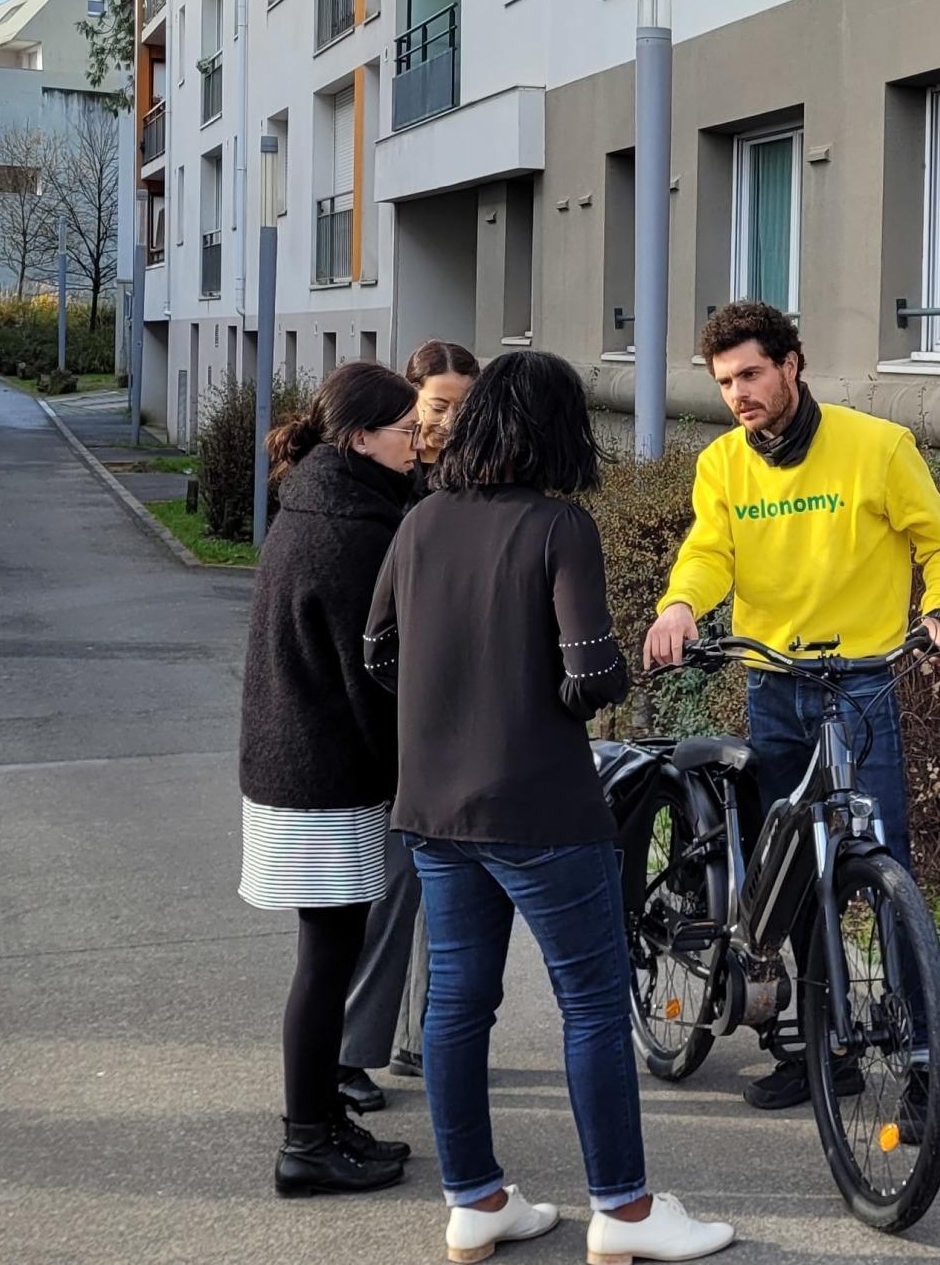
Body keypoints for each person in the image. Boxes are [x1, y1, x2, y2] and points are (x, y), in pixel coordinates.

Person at [366, 351, 734, 1265]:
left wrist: (445, 696)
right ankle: (625, 1211)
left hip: (434, 807)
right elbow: (590, 676)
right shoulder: (558, 525)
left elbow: (377, 652)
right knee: (594, 1005)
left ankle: (476, 1200)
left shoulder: (419, 523)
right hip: (539, 803)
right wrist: (565, 687)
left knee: (457, 1003)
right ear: (557, 429)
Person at [641, 300, 940, 1111]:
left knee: (880, 861)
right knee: (788, 861)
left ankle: (924, 1058)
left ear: (792, 363)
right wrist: (681, 604)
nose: (739, 394)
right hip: (772, 681)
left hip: (858, 680)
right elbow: (708, 551)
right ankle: (818, 1042)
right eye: (724, 382)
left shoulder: (876, 446)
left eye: (751, 373)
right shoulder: (722, 462)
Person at [236, 360, 423, 1199]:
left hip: (298, 767)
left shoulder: (317, 501)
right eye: (405, 430)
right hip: (323, 776)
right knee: (324, 962)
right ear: (359, 437)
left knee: (329, 955)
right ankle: (306, 1141)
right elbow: (371, 675)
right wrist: (413, 771)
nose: (418, 443)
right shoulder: (351, 530)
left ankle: (321, 1119)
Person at [333, 341, 483, 1110]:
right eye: (436, 405)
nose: (448, 421)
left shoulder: (471, 479)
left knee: (453, 894)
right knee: (393, 892)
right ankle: (352, 1053)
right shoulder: (385, 488)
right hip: (396, 719)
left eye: (462, 405)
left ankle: (427, 1037)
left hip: (457, 715)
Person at [404, 339, 481, 497]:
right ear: (411, 397)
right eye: (438, 408)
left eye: (461, 409)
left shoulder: (480, 465)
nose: (449, 422)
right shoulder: (390, 458)